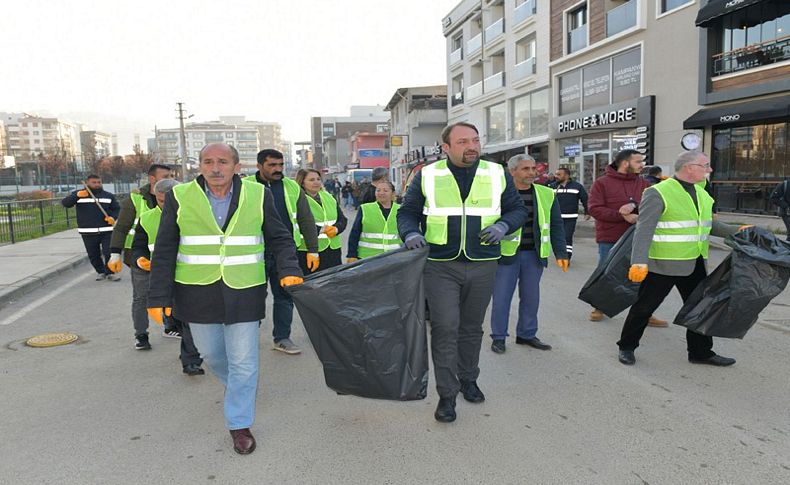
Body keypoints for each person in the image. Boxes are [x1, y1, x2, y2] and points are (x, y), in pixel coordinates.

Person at [147, 143, 303, 455]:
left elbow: (280, 237)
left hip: (245, 289)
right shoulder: (180, 196)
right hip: (195, 291)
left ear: (236, 166)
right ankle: (240, 388)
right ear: (199, 166)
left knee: (244, 361)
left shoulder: (259, 195)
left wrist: (289, 268)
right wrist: (158, 296)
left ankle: (239, 424)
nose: (215, 168)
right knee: (213, 355)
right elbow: (165, 248)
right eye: (208, 162)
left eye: (222, 161)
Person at [398, 122, 528, 423]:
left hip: (484, 262)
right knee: (445, 328)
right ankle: (447, 395)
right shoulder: (427, 175)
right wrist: (409, 234)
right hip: (440, 265)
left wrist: (503, 226)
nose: (472, 146)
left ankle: (469, 378)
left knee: (471, 328)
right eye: (463, 141)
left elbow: (516, 209)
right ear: (446, 147)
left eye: (475, 140)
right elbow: (407, 212)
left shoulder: (496, 173)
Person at [617, 151, 747, 367]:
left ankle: (700, 352)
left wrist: (738, 231)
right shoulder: (658, 192)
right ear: (689, 167)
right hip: (663, 263)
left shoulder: (702, 192)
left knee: (700, 308)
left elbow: (707, 225)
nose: (710, 169)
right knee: (644, 308)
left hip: (694, 261)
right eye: (705, 165)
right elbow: (644, 230)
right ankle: (626, 347)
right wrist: (638, 261)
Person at [490, 155, 569, 354]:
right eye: (526, 169)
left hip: (533, 255)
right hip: (505, 255)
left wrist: (561, 252)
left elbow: (556, 226)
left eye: (534, 168)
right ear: (512, 171)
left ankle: (526, 334)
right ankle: (498, 337)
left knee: (531, 298)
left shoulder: (546, 193)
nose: (532, 173)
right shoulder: (498, 194)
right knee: (501, 298)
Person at [130, 178, 204, 374]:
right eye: (163, 201)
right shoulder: (147, 219)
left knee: (189, 318)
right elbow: (137, 246)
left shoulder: (196, 215)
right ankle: (182, 346)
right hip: (162, 275)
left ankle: (190, 360)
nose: (169, 204)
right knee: (180, 318)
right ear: (156, 197)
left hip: (191, 274)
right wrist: (140, 259)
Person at [587, 150, 667, 327]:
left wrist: (635, 206)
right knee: (607, 273)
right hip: (610, 236)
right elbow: (594, 209)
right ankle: (599, 306)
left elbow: (653, 205)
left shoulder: (644, 184)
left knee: (641, 275)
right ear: (625, 163)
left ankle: (644, 313)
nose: (642, 165)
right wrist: (621, 216)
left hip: (639, 237)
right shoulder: (601, 183)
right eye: (638, 161)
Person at [253, 148, 319, 355]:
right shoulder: (245, 186)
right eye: (272, 165)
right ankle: (245, 338)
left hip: (285, 252)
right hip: (255, 252)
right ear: (259, 166)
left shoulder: (291, 187)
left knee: (284, 297)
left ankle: (282, 338)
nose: (278, 169)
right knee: (253, 297)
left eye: (280, 165)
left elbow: (306, 219)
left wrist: (312, 250)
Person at [107, 164, 175, 349]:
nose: (169, 178)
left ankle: (170, 326)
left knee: (172, 296)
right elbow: (121, 227)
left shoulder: (178, 196)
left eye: (171, 175)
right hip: (141, 258)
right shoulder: (136, 198)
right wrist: (115, 253)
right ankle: (141, 335)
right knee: (141, 297)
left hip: (168, 262)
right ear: (152, 179)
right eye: (165, 175)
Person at [61, 175, 120, 281]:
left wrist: (113, 217)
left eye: (99, 182)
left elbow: (117, 209)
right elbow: (65, 203)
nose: (97, 184)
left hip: (107, 230)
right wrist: (77, 196)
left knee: (108, 252)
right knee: (93, 254)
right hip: (88, 231)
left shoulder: (108, 196)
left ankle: (110, 272)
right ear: (88, 183)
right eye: (94, 182)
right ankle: (101, 271)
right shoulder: (79, 195)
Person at [296, 168, 346, 273]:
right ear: (302, 182)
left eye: (318, 179)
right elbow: (297, 225)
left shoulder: (328, 197)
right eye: (311, 180)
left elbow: (342, 220)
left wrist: (336, 229)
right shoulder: (298, 199)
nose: (316, 182)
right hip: (308, 251)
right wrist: (322, 229)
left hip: (333, 249)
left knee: (333, 284)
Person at [347, 181, 401, 262]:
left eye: (385, 190)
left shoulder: (401, 210)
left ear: (393, 194)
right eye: (378, 190)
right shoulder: (365, 209)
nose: (381, 193)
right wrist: (352, 254)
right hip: (367, 258)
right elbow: (355, 233)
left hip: (394, 258)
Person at [548, 167, 589, 261]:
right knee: (557, 237)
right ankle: (559, 255)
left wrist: (587, 212)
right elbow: (546, 201)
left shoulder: (577, 186)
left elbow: (585, 199)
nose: (556, 176)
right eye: (556, 174)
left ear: (566, 176)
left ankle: (566, 257)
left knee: (567, 236)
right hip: (555, 218)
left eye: (559, 174)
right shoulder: (552, 187)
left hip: (571, 217)